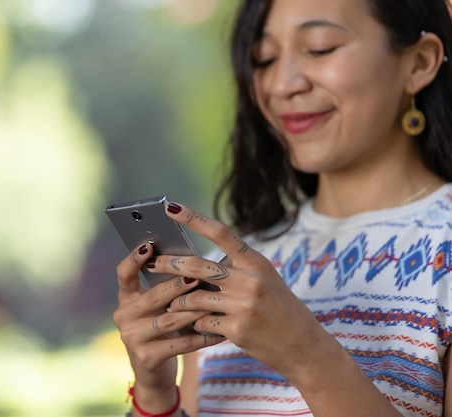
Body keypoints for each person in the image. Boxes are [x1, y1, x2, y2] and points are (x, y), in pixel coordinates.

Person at [113, 0, 452, 416]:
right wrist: (156, 397)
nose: (281, 85)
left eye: (320, 47)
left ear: (419, 62)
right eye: (264, 59)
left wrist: (309, 358)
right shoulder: (237, 267)